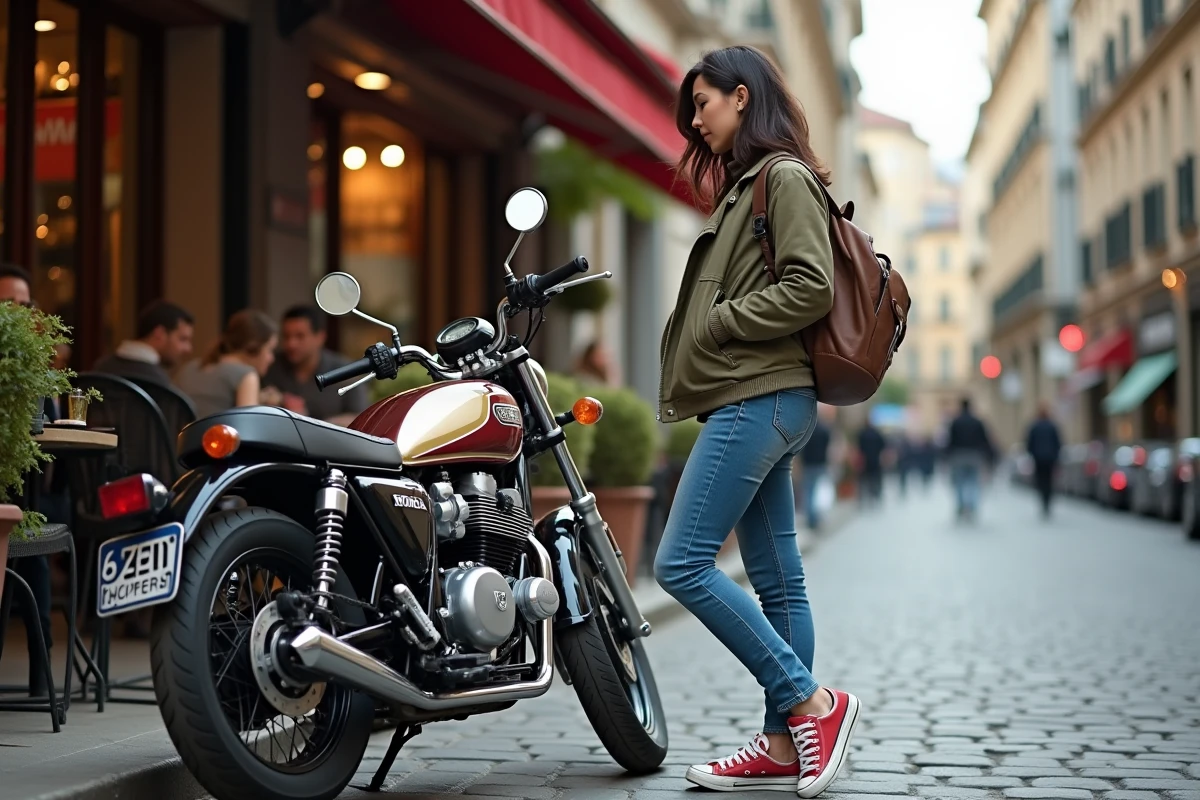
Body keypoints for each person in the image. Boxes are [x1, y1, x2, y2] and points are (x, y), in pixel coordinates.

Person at [652, 46, 859, 797]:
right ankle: (781, 742)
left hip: (759, 395)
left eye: (703, 104)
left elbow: (809, 286)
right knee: (780, 585)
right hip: (764, 395)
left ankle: (810, 704)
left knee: (679, 563)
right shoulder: (749, 186)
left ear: (742, 98)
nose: (696, 122)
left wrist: (722, 323)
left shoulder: (783, 179)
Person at [0, 264, 63, 695]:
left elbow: (50, 432)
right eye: (9, 305)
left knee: (35, 517)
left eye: (25, 304)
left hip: (24, 495)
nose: (19, 313)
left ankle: (41, 679)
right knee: (32, 533)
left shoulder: (33, 368)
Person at [262, 306, 369, 426]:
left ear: (320, 337)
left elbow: (361, 417)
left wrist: (316, 424)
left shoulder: (345, 370)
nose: (291, 344)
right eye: (286, 336)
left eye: (300, 336)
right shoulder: (270, 365)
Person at [175, 310, 278, 419]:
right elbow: (249, 429)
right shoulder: (247, 376)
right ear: (253, 346)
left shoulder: (189, 368)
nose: (272, 358)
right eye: (269, 350)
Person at [93, 301, 195, 385]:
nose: (188, 349)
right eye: (183, 339)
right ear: (159, 334)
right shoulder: (159, 383)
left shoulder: (100, 368)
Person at [946, 397, 996, 521]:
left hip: (958, 456)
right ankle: (972, 506)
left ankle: (961, 505)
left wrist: (947, 457)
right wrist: (989, 456)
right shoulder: (977, 422)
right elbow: (985, 440)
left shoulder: (955, 422)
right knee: (974, 482)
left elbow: (950, 441)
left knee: (959, 482)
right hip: (975, 455)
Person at [1026, 403, 1063, 518]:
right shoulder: (1052, 426)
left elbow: (1029, 443)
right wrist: (1056, 456)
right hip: (1050, 459)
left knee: (1041, 481)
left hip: (1038, 459)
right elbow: (1058, 443)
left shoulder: (1034, 426)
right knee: (1049, 481)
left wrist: (1032, 454)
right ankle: (1047, 502)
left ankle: (1043, 502)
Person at [799, 415, 832, 530]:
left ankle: (811, 519)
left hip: (808, 464)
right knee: (819, 492)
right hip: (820, 464)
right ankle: (816, 517)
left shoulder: (806, 430)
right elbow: (827, 446)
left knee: (808, 492)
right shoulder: (824, 430)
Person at [856, 420, 886, 507]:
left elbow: (859, 447)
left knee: (865, 481)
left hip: (865, 461)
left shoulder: (862, 434)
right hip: (875, 460)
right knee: (875, 480)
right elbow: (883, 446)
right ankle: (876, 496)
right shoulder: (877, 434)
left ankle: (864, 498)